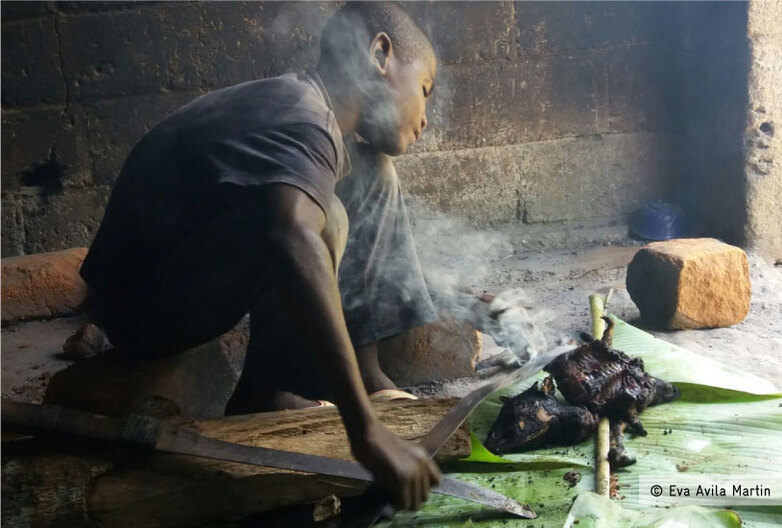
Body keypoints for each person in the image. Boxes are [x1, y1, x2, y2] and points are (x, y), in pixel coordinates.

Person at [79, 3, 440, 511]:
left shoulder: (308, 110)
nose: (424, 117)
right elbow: (290, 237)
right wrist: (364, 432)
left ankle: (363, 372)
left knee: (370, 173)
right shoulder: (301, 116)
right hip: (138, 308)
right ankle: (267, 390)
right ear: (381, 53)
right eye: (424, 90)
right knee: (313, 223)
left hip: (182, 272)